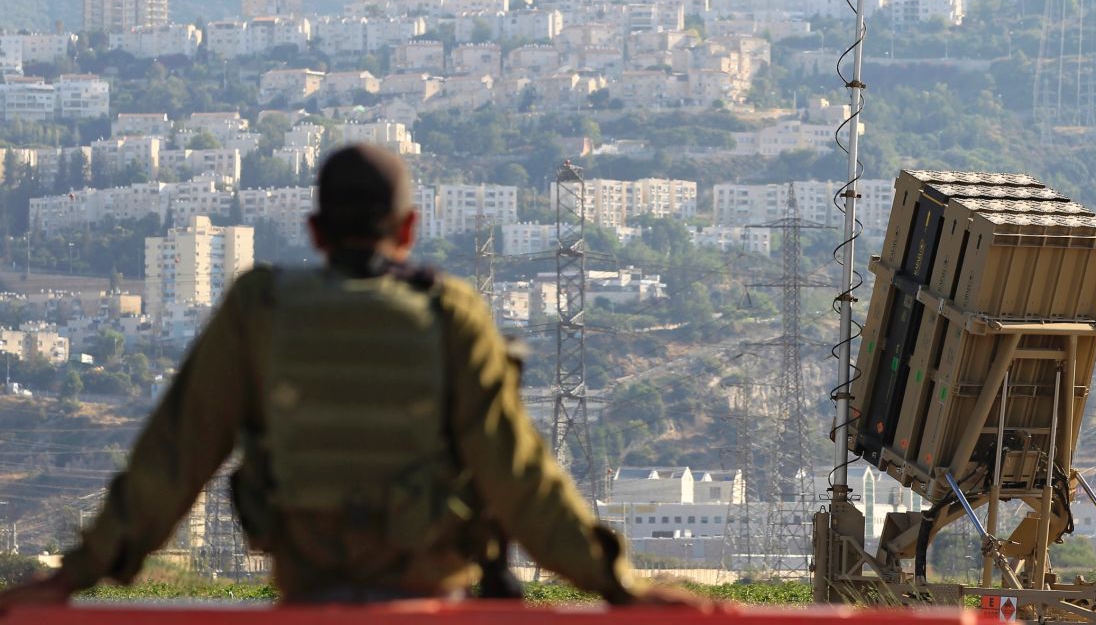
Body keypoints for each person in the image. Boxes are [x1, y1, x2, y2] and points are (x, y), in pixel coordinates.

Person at [0, 145, 706, 609]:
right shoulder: (450, 312)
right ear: (408, 230)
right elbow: (518, 475)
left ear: (313, 231)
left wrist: (71, 576)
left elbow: (173, 459)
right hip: (428, 598)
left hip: (306, 595)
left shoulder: (260, 307)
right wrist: (622, 588)